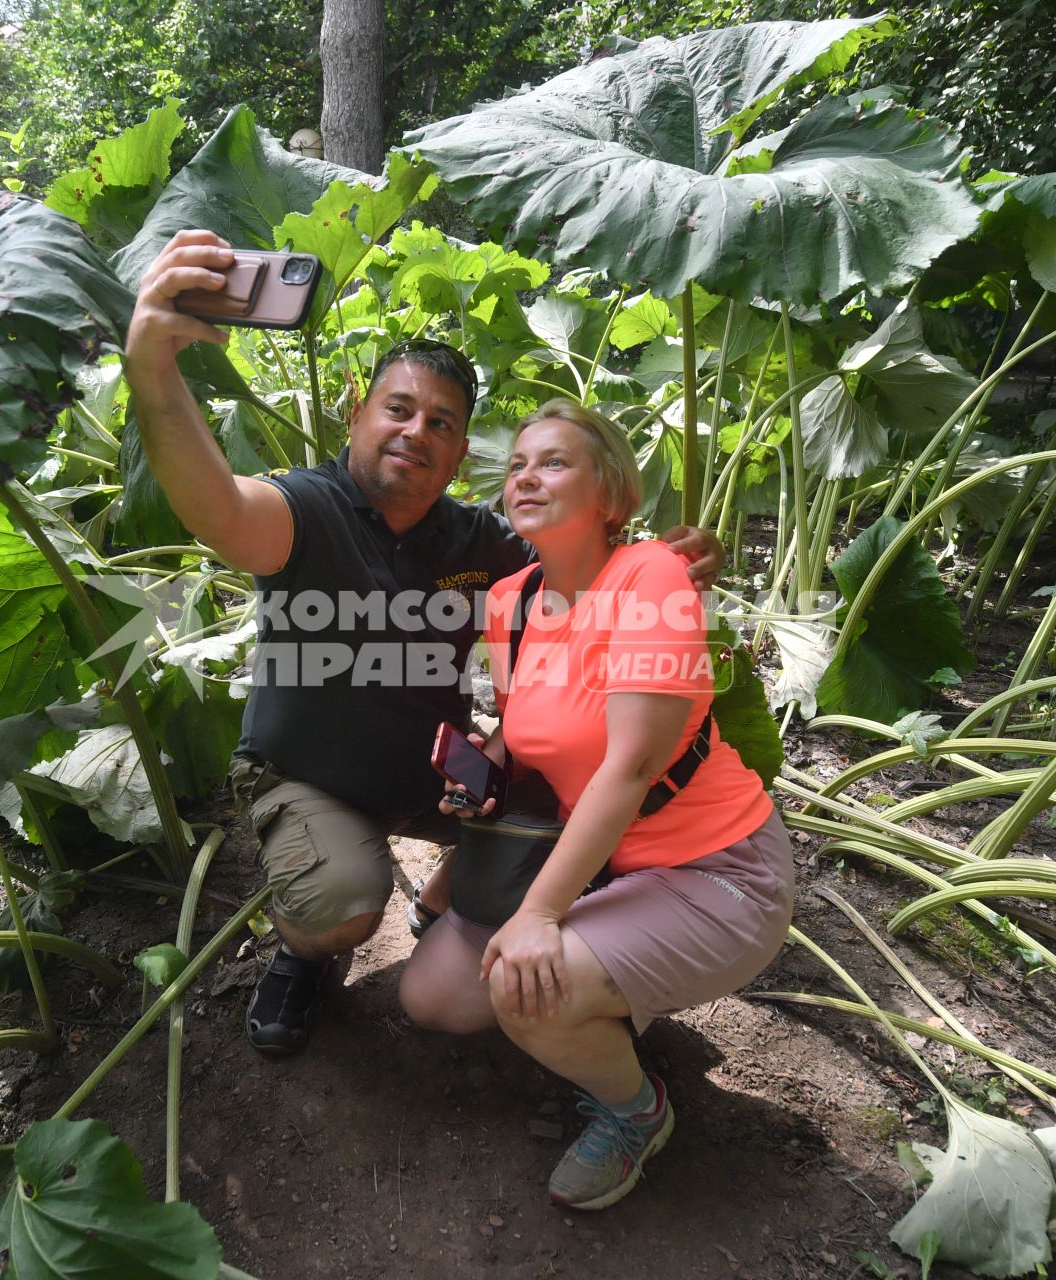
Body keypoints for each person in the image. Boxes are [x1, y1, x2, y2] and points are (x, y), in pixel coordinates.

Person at [122, 231, 725, 1057]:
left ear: (458, 452)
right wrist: (153, 370)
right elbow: (218, 506)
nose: (416, 431)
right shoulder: (306, 508)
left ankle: (483, 917)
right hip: (314, 781)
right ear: (355, 414)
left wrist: (667, 559)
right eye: (398, 409)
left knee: (575, 798)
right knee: (339, 902)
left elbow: (585, 565)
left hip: (442, 782)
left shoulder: (480, 541)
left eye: (441, 423)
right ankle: (303, 958)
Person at [398, 399, 794, 1212]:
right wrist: (482, 774)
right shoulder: (509, 600)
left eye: (554, 462)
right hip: (610, 865)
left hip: (720, 868)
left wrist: (539, 915)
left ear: (611, 494)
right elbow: (520, 726)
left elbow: (630, 764)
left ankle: (635, 1111)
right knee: (431, 998)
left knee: (520, 983)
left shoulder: (650, 577)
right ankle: (606, 994)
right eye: (516, 466)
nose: (526, 476)